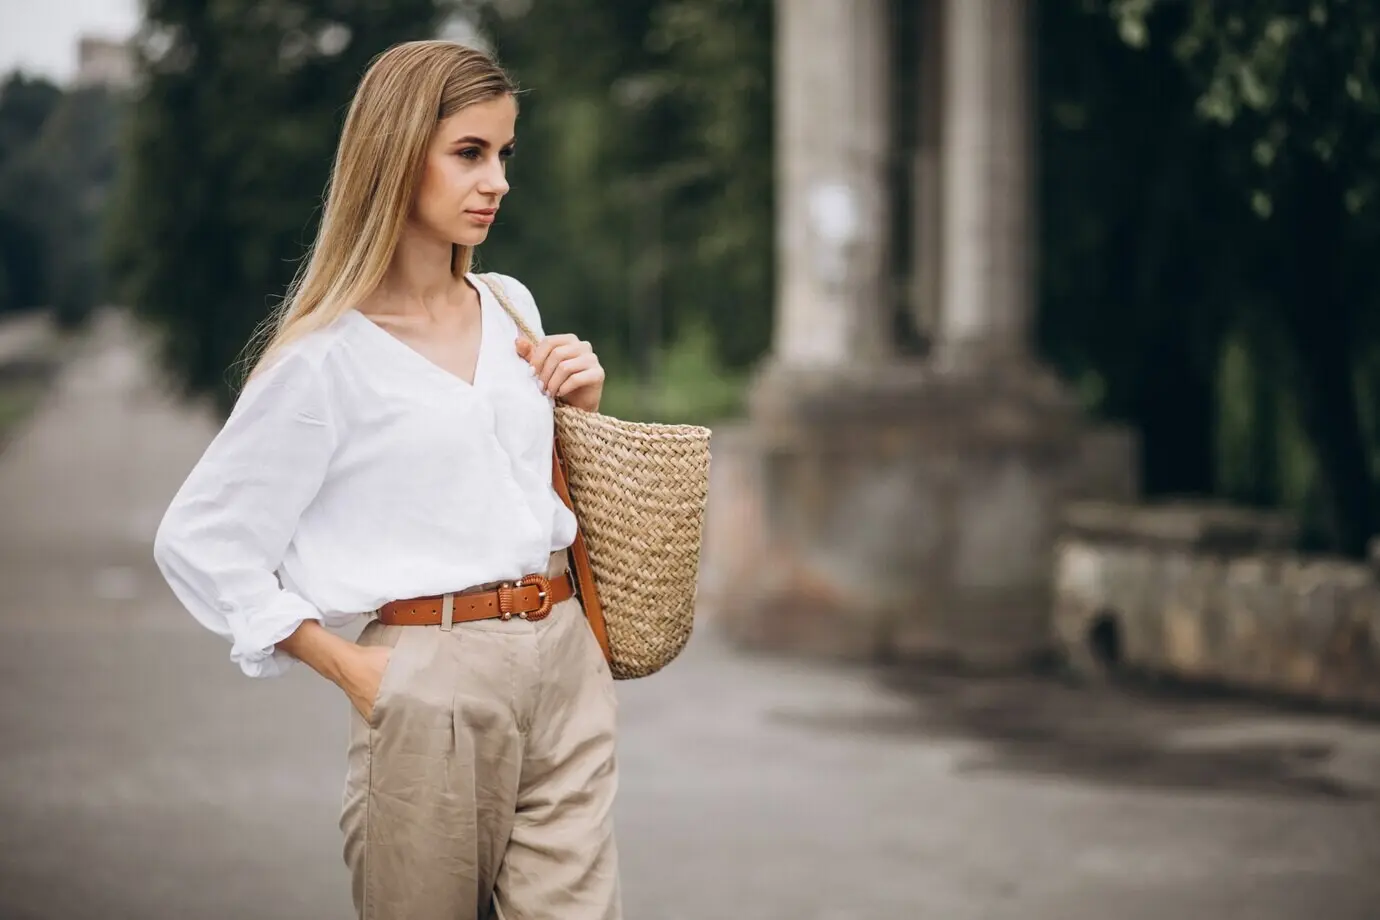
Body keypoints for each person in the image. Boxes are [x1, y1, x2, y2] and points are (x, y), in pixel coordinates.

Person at [152, 40, 621, 920]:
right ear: (397, 153)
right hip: (428, 675)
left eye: (504, 154)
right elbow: (202, 540)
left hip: (562, 655)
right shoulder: (323, 358)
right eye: (469, 153)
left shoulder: (511, 306)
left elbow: (527, 498)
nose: (497, 182)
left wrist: (581, 410)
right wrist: (352, 669)